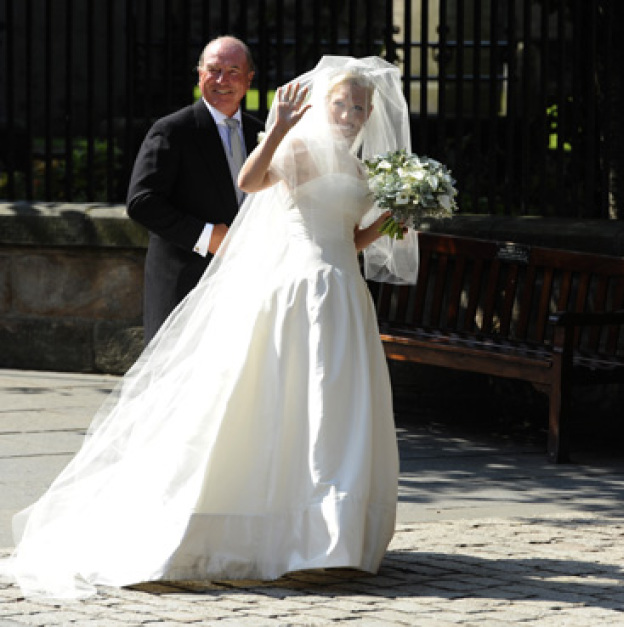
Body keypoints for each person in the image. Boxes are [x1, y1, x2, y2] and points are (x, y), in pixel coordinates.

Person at [0, 55, 412, 599]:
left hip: (344, 295)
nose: (353, 114)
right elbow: (250, 180)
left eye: (361, 107)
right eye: (343, 103)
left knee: (338, 411)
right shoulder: (298, 147)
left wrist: (395, 215)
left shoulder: (362, 172)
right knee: (293, 404)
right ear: (324, 103)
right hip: (301, 292)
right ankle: (287, 534)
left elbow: (352, 238)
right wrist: (281, 128)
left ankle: (338, 540)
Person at [127, 35, 265, 342]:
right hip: (185, 283)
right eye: (213, 70)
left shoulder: (262, 133)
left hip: (246, 284)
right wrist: (208, 236)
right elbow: (142, 202)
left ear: (249, 79)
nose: (222, 80)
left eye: (233, 71)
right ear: (199, 73)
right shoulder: (173, 130)